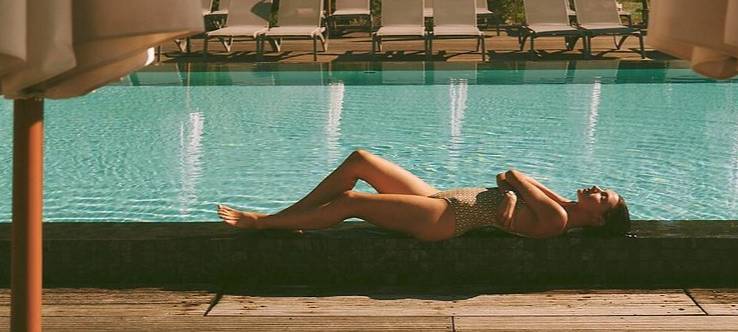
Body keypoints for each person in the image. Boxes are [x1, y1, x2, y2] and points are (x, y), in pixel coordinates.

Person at [216, 149, 630, 241]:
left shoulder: (557, 219)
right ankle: (287, 215)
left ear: (596, 220)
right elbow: (505, 173)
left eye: (602, 197)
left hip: (446, 220)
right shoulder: (556, 209)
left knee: (351, 203)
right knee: (359, 160)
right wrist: (508, 192)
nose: (595, 188)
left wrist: (511, 191)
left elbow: (515, 174)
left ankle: (264, 222)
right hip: (441, 199)